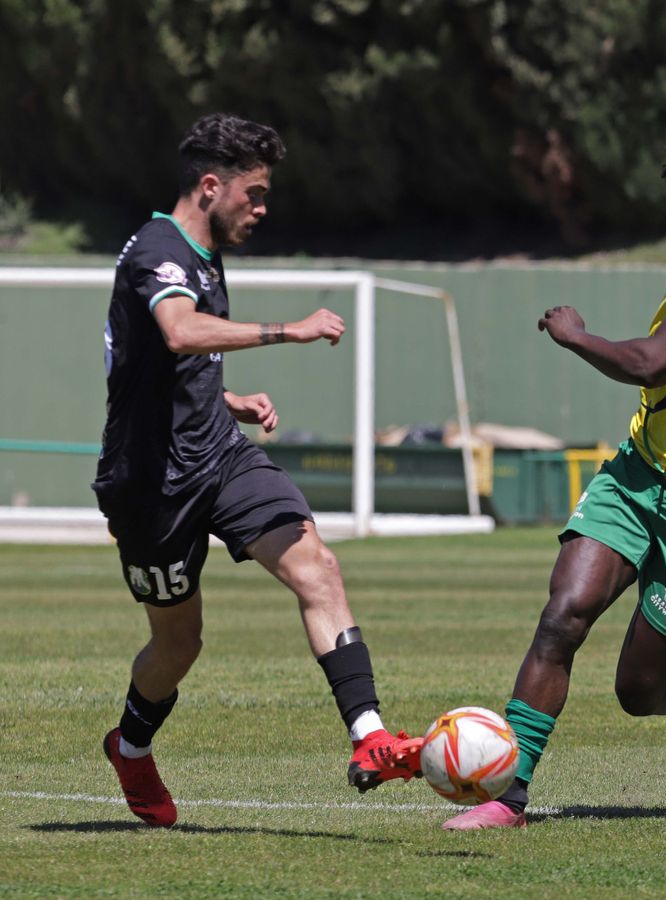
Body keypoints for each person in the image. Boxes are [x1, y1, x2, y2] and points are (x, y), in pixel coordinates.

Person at [441, 113, 666, 831]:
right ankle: (510, 795)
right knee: (562, 616)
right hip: (637, 476)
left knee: (638, 690)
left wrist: (576, 336)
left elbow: (654, 361)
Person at [95, 113, 422, 828]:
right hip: (150, 486)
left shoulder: (204, 250)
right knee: (178, 645)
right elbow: (178, 330)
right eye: (256, 192)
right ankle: (131, 745)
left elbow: (165, 358)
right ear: (211, 186)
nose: (263, 209)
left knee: (318, 566)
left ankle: (371, 739)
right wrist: (288, 330)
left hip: (220, 453)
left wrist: (225, 398)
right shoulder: (159, 250)